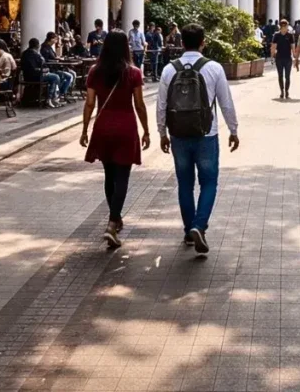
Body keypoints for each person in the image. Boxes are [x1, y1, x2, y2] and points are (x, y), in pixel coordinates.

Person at [157, 24, 240, 254]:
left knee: (185, 183)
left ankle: (188, 230)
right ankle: (199, 225)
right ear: (203, 41)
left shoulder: (168, 69)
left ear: (182, 42)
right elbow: (225, 102)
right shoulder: (213, 68)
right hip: (207, 134)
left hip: (178, 135)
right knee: (209, 182)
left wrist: (162, 132)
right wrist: (233, 129)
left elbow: (161, 104)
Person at [79, 30, 150, 249]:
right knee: (122, 177)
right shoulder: (134, 73)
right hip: (126, 127)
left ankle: (115, 218)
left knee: (109, 175)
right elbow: (139, 104)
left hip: (103, 126)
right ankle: (112, 222)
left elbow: (90, 103)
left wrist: (84, 129)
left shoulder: (94, 71)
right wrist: (146, 130)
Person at [21, 38, 62, 108]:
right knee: (55, 77)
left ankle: (53, 97)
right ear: (37, 46)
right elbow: (37, 67)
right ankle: (50, 98)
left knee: (55, 77)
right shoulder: (34, 54)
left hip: (27, 76)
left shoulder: (25, 53)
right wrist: (45, 70)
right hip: (35, 76)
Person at [42, 32, 76, 99]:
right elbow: (46, 60)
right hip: (51, 69)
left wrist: (57, 57)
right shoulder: (45, 48)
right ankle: (61, 93)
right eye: (55, 39)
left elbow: (54, 56)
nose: (56, 41)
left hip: (55, 67)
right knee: (68, 76)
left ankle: (61, 93)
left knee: (70, 74)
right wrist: (56, 59)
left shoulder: (49, 47)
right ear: (51, 39)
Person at [270, 19, 295, 99]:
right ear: (281, 27)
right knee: (280, 75)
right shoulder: (276, 35)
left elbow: (293, 47)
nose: (285, 27)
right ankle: (282, 91)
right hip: (279, 58)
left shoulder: (290, 35)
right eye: (283, 26)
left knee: (287, 76)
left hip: (288, 58)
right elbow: (273, 47)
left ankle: (286, 91)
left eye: (286, 26)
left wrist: (294, 57)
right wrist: (272, 57)